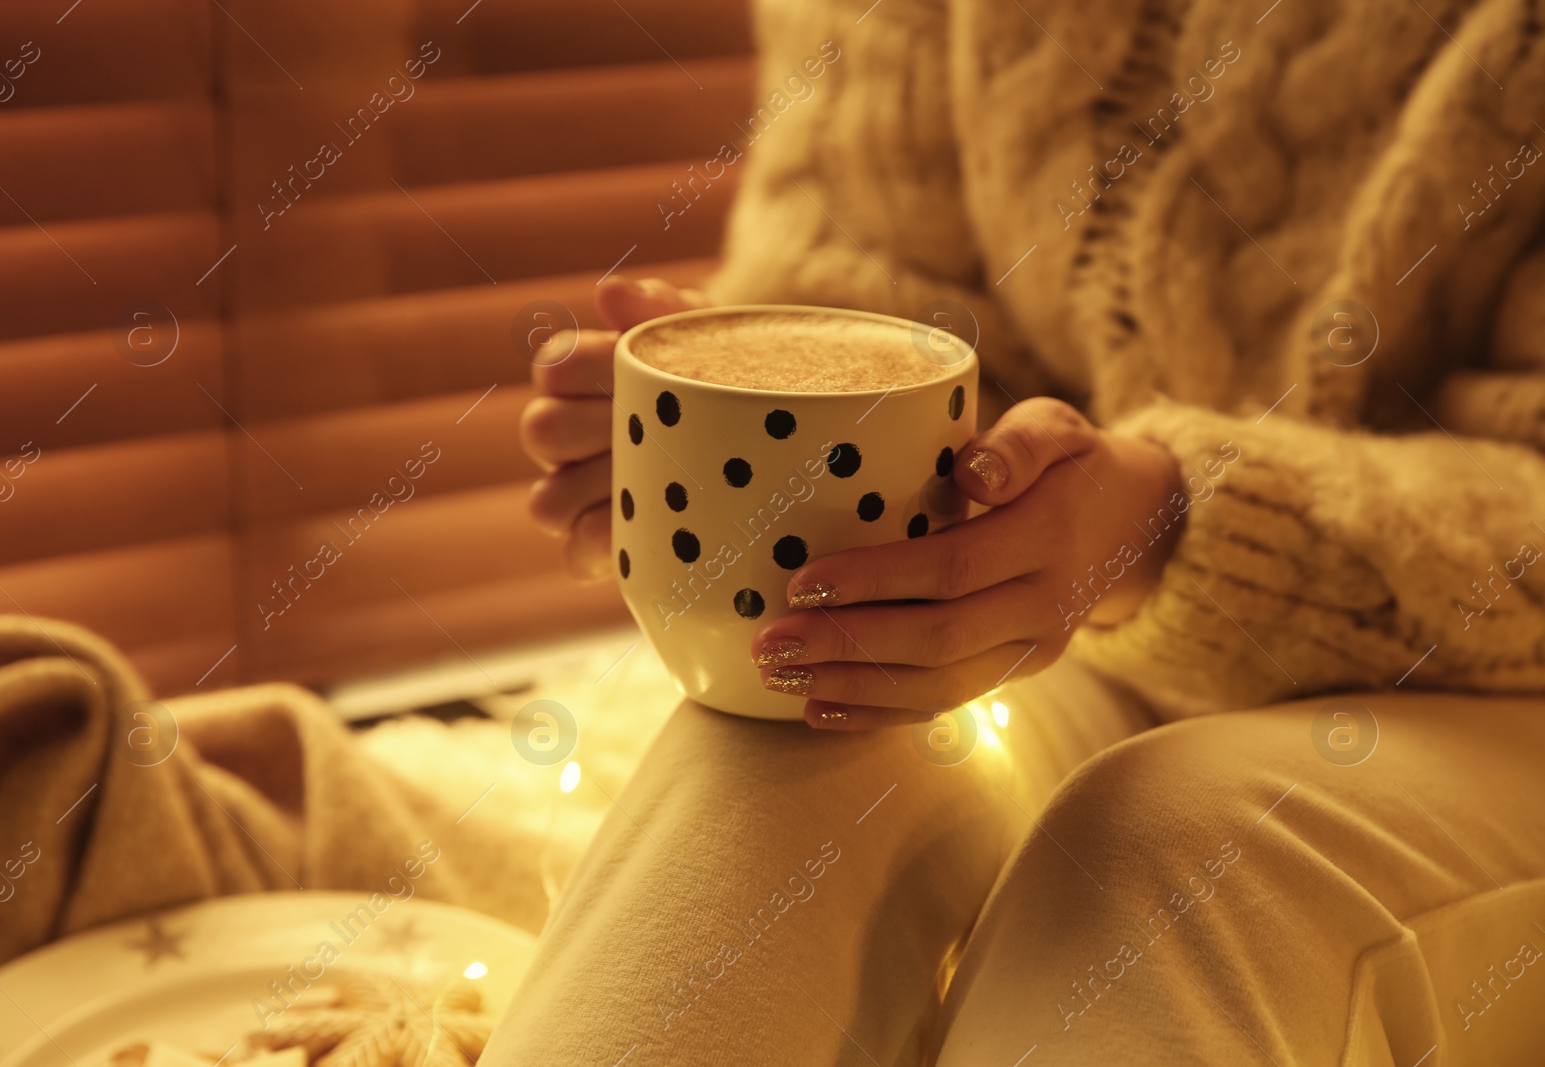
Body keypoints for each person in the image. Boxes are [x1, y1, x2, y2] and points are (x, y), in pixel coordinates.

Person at [493, 0, 1545, 1061]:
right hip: (1081, 643)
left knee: (1186, 850)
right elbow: (852, 302)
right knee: (794, 736)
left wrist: (1181, 522)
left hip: (1491, 688)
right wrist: (760, 455)